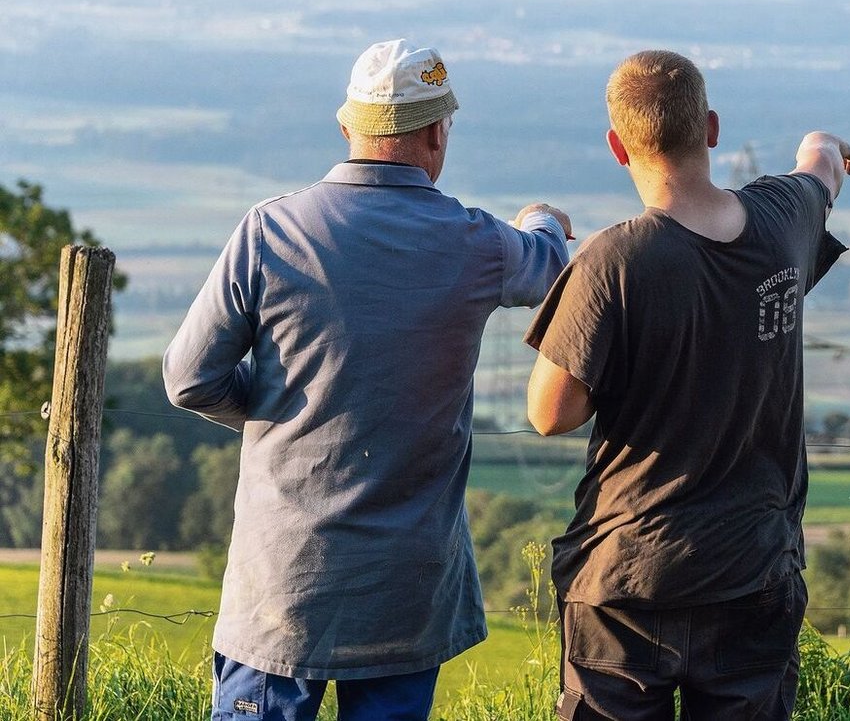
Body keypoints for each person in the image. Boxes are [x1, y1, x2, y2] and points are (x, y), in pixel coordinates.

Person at [163, 38, 572, 721]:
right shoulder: (477, 243)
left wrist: (277, 409)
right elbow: (548, 266)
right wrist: (543, 220)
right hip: (406, 589)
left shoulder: (270, 231)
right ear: (437, 134)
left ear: (346, 126)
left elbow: (188, 378)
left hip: (282, 586)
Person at [523, 49, 850, 720]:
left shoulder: (613, 261)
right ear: (711, 128)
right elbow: (820, 166)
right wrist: (825, 145)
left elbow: (550, 412)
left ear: (618, 147)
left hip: (630, 574)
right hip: (755, 568)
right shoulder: (783, 218)